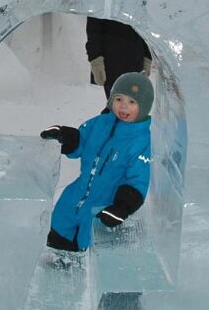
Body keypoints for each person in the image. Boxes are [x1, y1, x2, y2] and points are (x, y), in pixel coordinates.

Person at [40, 72, 154, 253]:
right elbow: (81, 141)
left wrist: (122, 207)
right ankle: (55, 267)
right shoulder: (100, 123)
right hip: (75, 196)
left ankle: (83, 270)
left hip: (103, 206)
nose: (123, 106)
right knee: (59, 230)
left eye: (132, 102)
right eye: (119, 99)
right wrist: (65, 135)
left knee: (89, 244)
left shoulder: (141, 141)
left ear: (144, 106)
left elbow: (138, 179)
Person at [87, 16, 153, 103]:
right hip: (112, 58)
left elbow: (145, 21)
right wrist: (95, 58)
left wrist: (148, 56)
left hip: (137, 55)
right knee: (119, 105)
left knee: (134, 105)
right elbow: (94, 23)